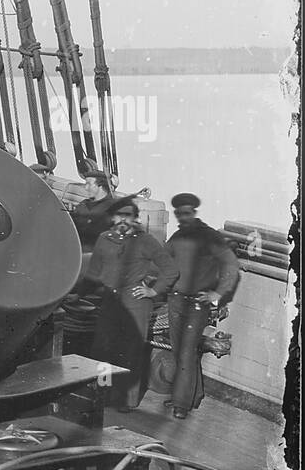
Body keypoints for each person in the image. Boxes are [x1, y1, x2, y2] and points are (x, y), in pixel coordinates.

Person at [83, 198, 180, 411]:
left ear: (135, 219)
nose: (123, 220)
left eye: (128, 216)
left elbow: (171, 269)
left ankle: (127, 400)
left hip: (136, 303)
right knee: (103, 349)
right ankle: (103, 393)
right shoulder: (104, 239)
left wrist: (153, 291)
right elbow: (93, 272)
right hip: (110, 302)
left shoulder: (145, 241)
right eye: (119, 216)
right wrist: (80, 294)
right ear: (112, 218)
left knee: (130, 351)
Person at [164, 192, 240, 420]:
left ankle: (181, 404)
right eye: (179, 214)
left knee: (186, 353)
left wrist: (216, 295)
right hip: (176, 300)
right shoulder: (177, 237)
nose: (183, 218)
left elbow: (231, 265)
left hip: (197, 304)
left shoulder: (210, 237)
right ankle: (189, 396)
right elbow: (161, 261)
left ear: (194, 213)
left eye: (187, 213)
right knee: (180, 352)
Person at [71, 171, 116, 247]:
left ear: (100, 186)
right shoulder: (83, 205)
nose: (86, 188)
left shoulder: (113, 209)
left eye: (88, 184)